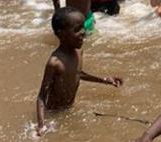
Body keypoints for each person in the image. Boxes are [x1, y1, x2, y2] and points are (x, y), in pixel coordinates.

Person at [36, 7, 122, 135]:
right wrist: (42, 125)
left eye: (83, 27)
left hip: (69, 109)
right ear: (61, 34)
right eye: (77, 30)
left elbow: (77, 73)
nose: (83, 32)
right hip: (54, 114)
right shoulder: (55, 63)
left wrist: (104, 80)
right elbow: (41, 97)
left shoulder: (78, 52)